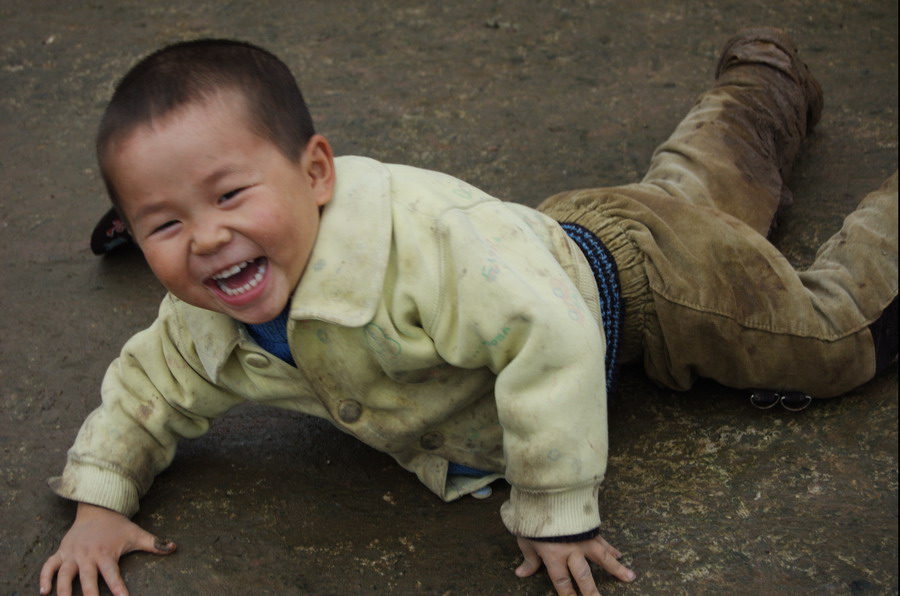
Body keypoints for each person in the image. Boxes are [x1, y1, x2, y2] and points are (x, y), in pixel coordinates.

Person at [40, 27, 896, 596]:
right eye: (165, 222)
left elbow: (551, 333)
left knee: (831, 340)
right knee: (703, 186)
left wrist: (556, 510)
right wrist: (102, 498)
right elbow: (144, 390)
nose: (206, 238)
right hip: (558, 240)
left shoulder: (424, 249)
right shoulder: (205, 321)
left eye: (229, 194)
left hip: (649, 294)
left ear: (315, 173)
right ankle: (766, 75)